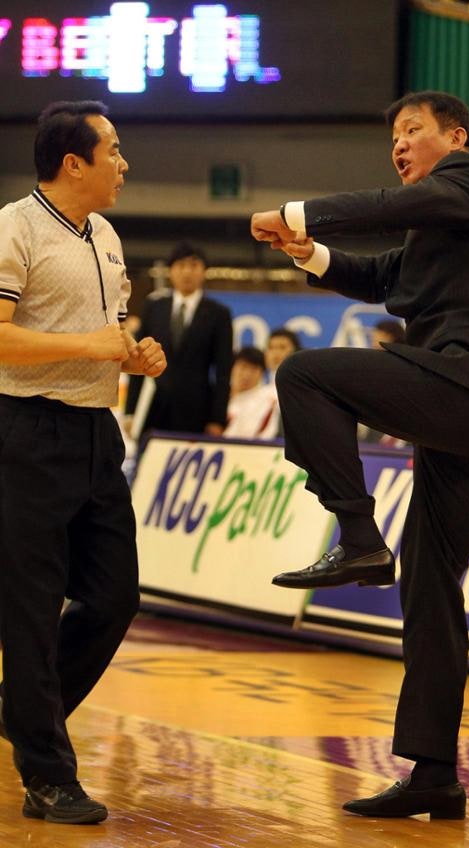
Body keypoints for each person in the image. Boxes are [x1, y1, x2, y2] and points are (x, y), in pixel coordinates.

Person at [251, 90, 469, 820]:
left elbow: (380, 206)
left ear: (457, 137)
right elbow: (382, 278)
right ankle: (434, 773)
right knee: (430, 583)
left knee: (305, 373)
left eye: (413, 132)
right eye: (394, 139)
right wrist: (307, 252)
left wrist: (296, 213)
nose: (400, 146)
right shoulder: (438, 229)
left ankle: (355, 536)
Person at [0, 100, 167, 824]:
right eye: (115, 150)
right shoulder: (14, 228)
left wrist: (135, 355)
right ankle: (48, 775)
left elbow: (106, 334)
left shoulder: (105, 235)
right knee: (30, 614)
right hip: (27, 433)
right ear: (75, 162)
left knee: (114, 598)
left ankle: (23, 714)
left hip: (99, 435)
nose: (124, 163)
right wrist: (89, 347)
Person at [124, 241, 232, 439]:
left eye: (194, 266)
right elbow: (137, 360)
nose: (187, 272)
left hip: (197, 411)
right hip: (153, 408)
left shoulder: (218, 314)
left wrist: (217, 419)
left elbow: (223, 371)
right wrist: (131, 411)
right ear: (171, 271)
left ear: (204, 271)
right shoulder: (154, 307)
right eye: (181, 265)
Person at [223, 346, 279, 439]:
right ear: (232, 367)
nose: (247, 374)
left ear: (262, 373)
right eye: (243, 366)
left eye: (254, 369)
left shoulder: (266, 398)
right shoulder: (216, 398)